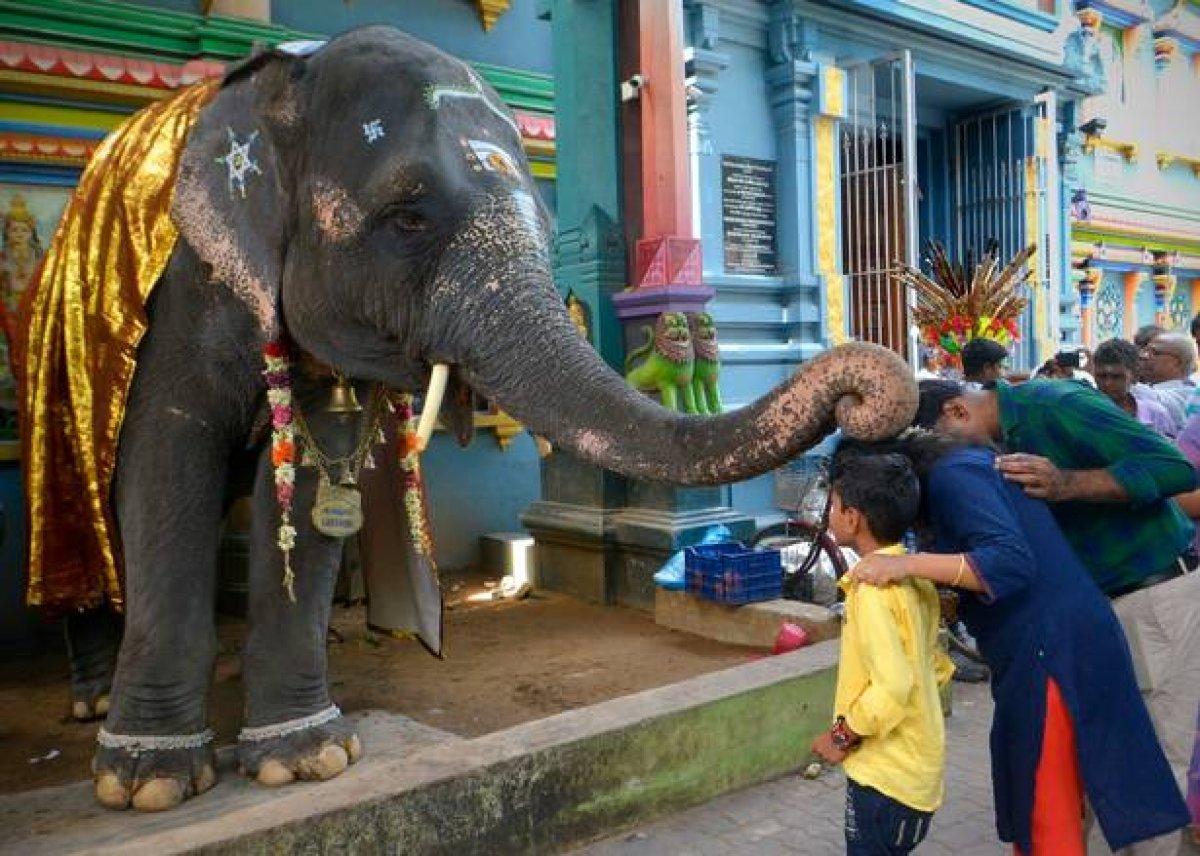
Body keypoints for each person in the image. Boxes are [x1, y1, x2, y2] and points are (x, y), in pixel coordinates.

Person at [842, 395, 1191, 855]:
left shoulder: (957, 472)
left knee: (1050, 802)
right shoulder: (972, 463)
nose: (832, 517)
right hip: (1055, 639)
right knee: (1052, 790)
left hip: (1056, 647)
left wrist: (908, 566)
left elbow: (1008, 562)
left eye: (835, 502)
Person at [809, 453, 953, 855]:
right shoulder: (914, 577)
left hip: (886, 777)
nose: (831, 515)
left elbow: (892, 686)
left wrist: (841, 736)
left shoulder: (870, 590)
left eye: (834, 506)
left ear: (853, 518)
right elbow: (936, 668)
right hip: (917, 770)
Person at [1093, 338, 1175, 436]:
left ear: (1135, 376)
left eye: (1117, 377)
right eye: (1101, 376)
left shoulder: (1156, 415)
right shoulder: (1083, 414)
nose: (1108, 383)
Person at [1137, 331, 1197, 432]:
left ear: (1177, 363)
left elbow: (1152, 398)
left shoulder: (1186, 394)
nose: (1144, 356)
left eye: (1155, 353)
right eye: (1145, 351)